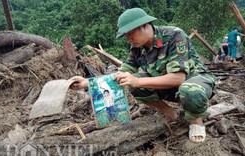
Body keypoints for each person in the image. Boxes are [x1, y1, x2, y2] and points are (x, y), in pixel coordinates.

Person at [69, 8, 216, 143]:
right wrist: (87, 83)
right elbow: (121, 74)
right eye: (126, 35)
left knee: (189, 90)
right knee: (132, 83)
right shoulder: (137, 48)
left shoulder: (174, 35)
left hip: (195, 81)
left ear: (144, 25)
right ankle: (171, 114)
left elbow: (178, 78)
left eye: (130, 34)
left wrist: (138, 81)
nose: (129, 39)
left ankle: (196, 121)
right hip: (169, 87)